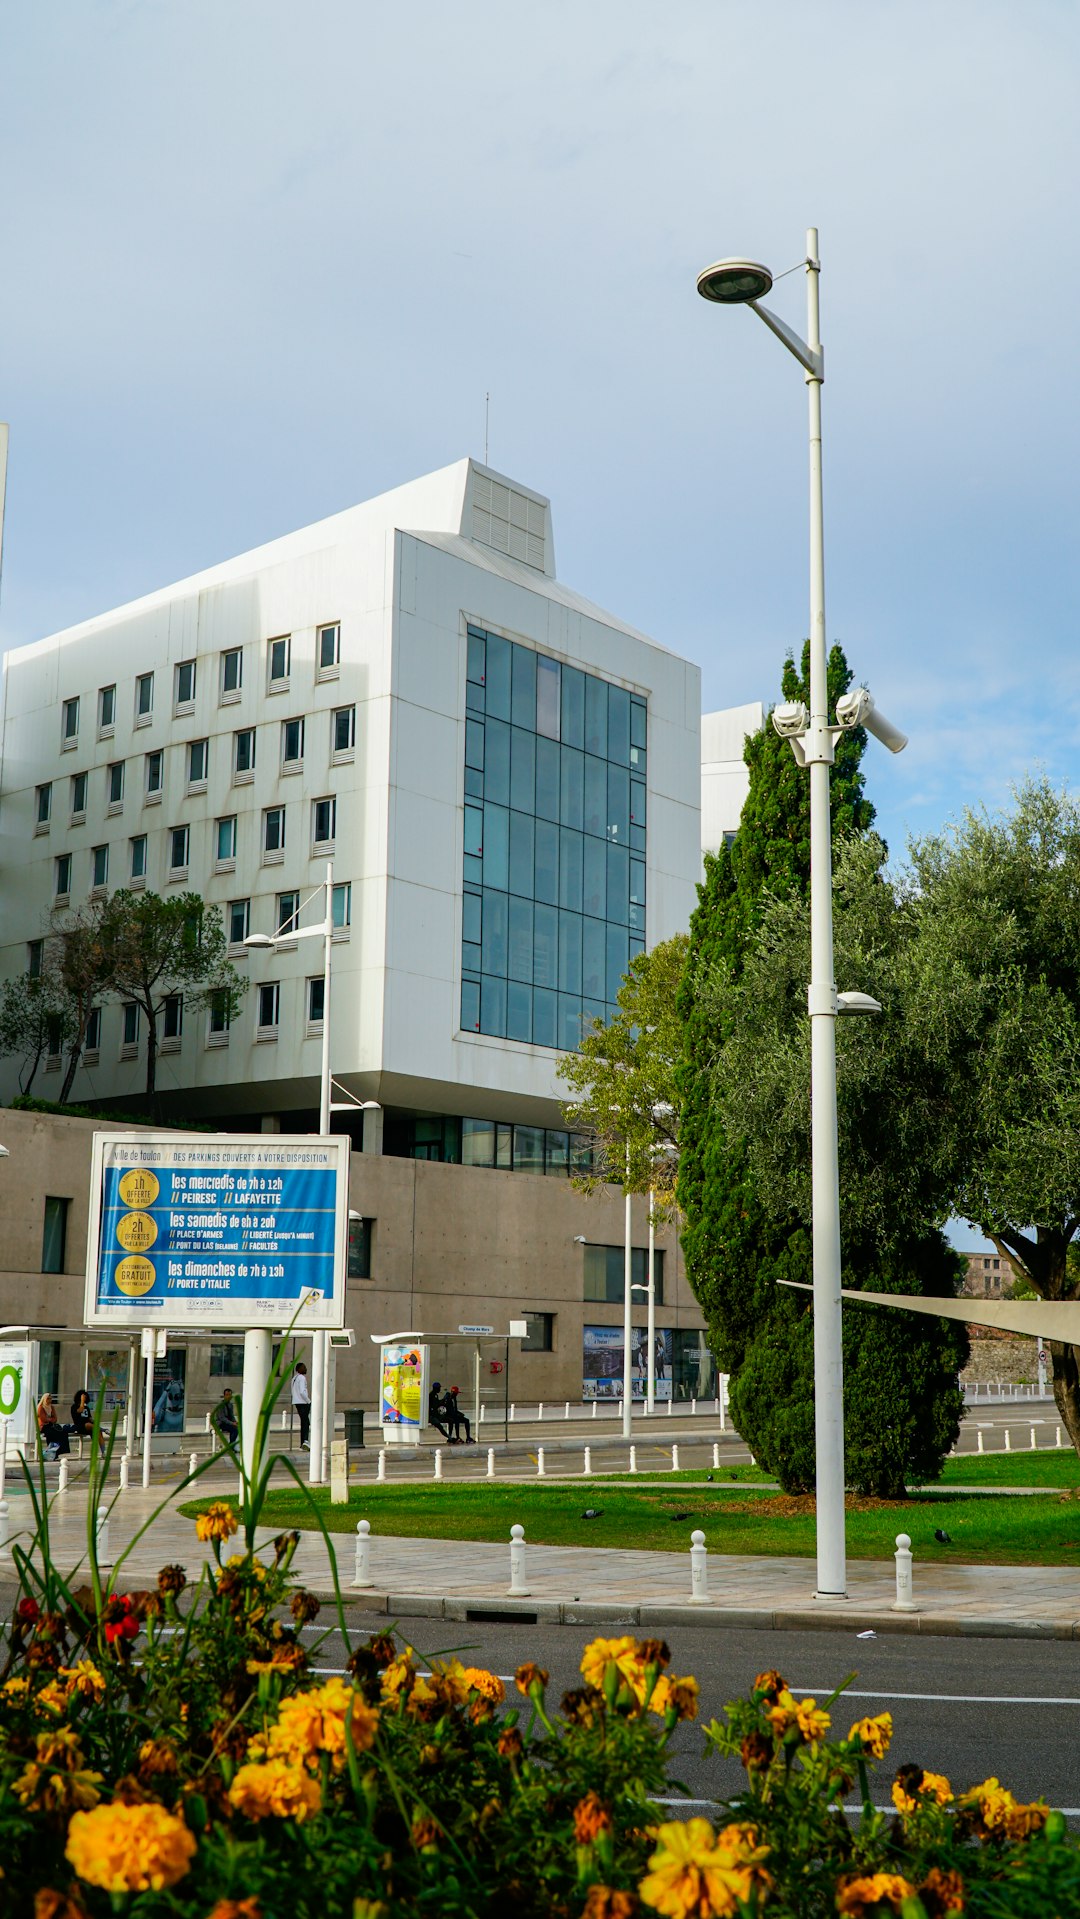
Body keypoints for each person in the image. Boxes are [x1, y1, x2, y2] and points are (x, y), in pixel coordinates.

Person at [70, 1389, 105, 1454]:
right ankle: (104, 1430)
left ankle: (103, 1451)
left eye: (85, 1398)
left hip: (89, 1427)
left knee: (99, 1432)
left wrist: (94, 1421)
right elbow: (80, 1410)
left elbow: (89, 1418)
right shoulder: (74, 1406)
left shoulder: (87, 1408)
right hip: (80, 1426)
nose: (84, 1399)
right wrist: (82, 1401)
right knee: (88, 1424)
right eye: (83, 1397)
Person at [211, 1387, 239, 1452]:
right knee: (234, 1429)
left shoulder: (230, 1405)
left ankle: (232, 1446)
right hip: (220, 1423)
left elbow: (231, 1415)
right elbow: (222, 1418)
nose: (228, 1396)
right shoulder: (220, 1405)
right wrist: (232, 1423)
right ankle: (230, 1447)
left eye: (229, 1395)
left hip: (228, 1423)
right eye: (227, 1395)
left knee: (236, 1428)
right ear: (224, 1396)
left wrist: (235, 1422)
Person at [291, 1361, 311, 1450]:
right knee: (305, 1423)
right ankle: (305, 1441)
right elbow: (302, 1392)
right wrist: (308, 1401)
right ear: (299, 1369)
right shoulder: (302, 1378)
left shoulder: (294, 1378)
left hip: (297, 1402)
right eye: (304, 1367)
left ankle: (303, 1442)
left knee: (304, 1422)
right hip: (303, 1403)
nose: (305, 1369)